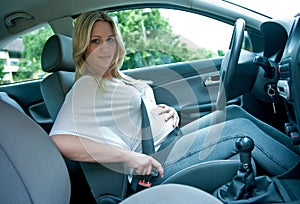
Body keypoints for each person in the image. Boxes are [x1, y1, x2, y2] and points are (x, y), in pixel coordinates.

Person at [50, 10, 299, 187]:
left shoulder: (114, 78)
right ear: (83, 46)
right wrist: (129, 157)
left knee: (234, 113)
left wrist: (169, 113)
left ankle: (294, 155)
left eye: (110, 39)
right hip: (156, 162)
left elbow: (130, 116)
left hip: (169, 140)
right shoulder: (86, 85)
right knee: (240, 129)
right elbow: (61, 140)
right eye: (96, 41)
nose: (106, 48)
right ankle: (296, 175)